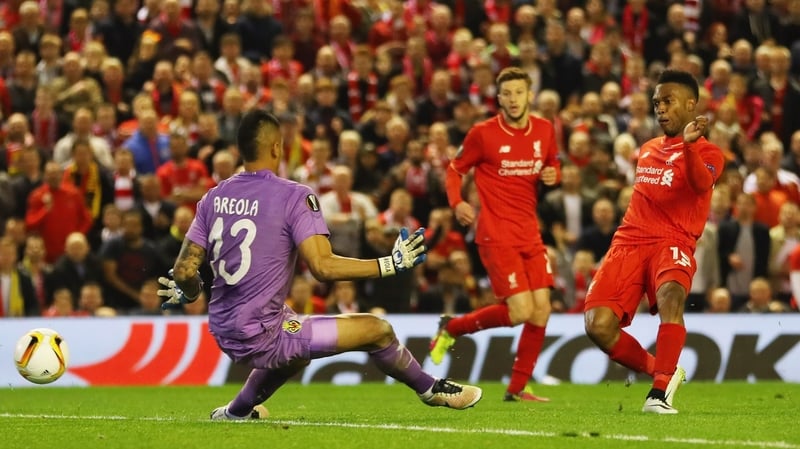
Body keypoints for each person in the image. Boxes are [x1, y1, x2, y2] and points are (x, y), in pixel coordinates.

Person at [157, 110, 482, 421]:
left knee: (294, 347)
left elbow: (184, 271)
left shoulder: (213, 197)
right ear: (276, 147)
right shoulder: (293, 195)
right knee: (377, 330)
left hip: (223, 326)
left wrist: (191, 292)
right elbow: (323, 267)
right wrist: (389, 263)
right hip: (261, 331)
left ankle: (236, 412)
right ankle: (430, 389)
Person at [583, 69, 726, 414]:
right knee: (597, 326)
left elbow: (699, 185)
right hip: (629, 242)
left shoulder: (709, 153)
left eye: (668, 101)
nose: (660, 108)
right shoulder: (647, 149)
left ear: (690, 105)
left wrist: (688, 146)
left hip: (673, 241)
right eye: (656, 102)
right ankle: (664, 370)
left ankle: (659, 393)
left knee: (670, 298)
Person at [428, 66, 561, 402]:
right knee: (520, 311)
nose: (513, 99)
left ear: (530, 95)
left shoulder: (545, 129)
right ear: (498, 98)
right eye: (507, 94)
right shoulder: (483, 134)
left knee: (542, 309)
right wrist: (457, 202)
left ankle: (517, 389)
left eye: (519, 92)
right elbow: (455, 169)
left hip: (530, 233)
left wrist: (553, 175)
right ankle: (451, 328)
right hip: (496, 234)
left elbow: (553, 164)